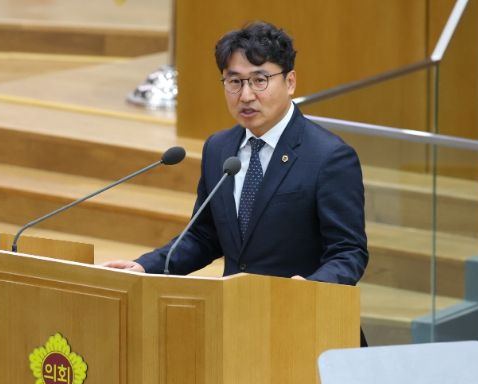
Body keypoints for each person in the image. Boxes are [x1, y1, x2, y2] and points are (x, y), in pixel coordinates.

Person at [104, 22, 367, 291]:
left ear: (290, 82)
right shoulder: (219, 148)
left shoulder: (329, 157)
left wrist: (311, 287)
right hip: (232, 310)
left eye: (259, 80)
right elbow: (204, 235)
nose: (246, 95)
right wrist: (146, 267)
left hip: (296, 311)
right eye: (234, 82)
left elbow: (348, 252)